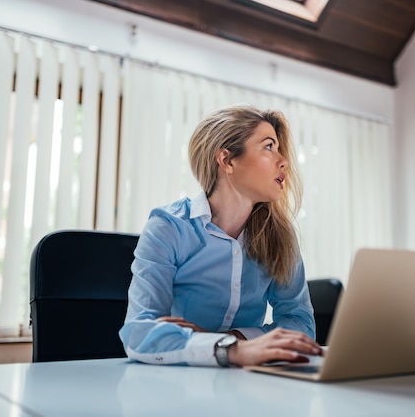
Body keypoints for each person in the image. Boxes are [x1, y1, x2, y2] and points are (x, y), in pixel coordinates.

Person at [119, 105, 322, 367]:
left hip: (249, 383)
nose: (283, 160)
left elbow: (301, 326)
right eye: (269, 147)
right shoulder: (168, 228)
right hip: (174, 385)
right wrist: (234, 351)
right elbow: (139, 335)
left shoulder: (281, 236)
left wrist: (228, 340)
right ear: (227, 161)